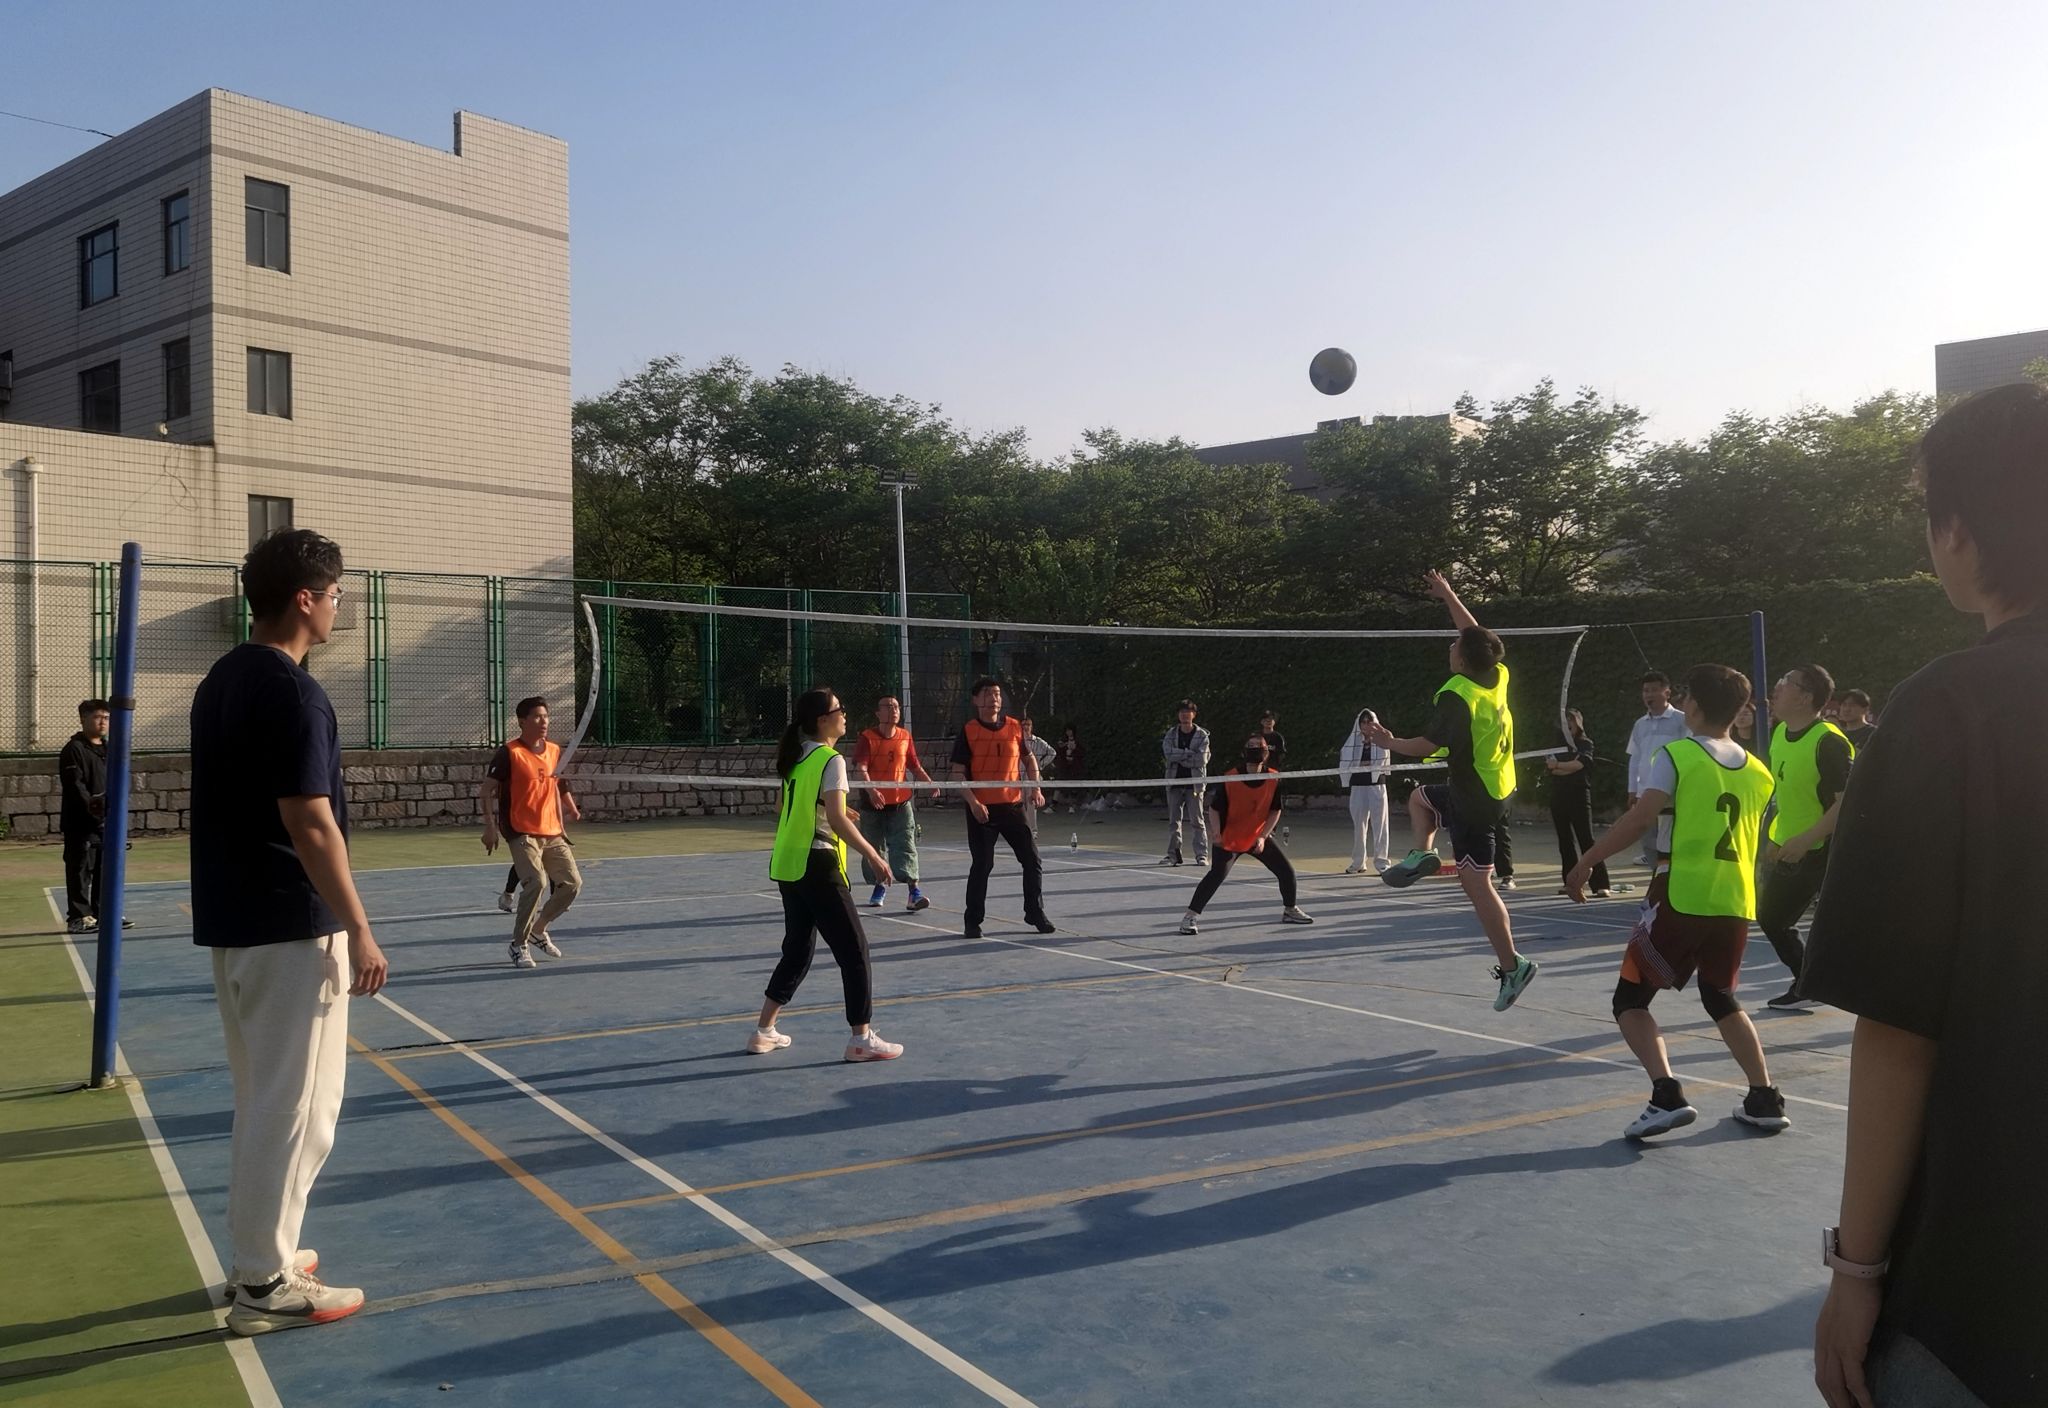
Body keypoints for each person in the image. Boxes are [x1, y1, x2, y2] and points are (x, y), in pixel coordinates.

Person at [1807, 381, 2048, 1408]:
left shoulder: (1949, 709)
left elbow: (1899, 1026)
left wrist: (1856, 1269)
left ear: (1958, 532)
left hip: (1989, 1285)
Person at [190, 528, 388, 1335]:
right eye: (335, 594)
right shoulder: (294, 693)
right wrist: (360, 929)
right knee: (297, 1107)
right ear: (305, 599)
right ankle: (264, 1283)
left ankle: (262, 1253)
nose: (340, 606)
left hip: (238, 924)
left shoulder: (222, 680)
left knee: (269, 1101)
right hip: (289, 926)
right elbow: (309, 821)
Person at [1565, 663, 1790, 1140]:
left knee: (1630, 1000)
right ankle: (1764, 1096)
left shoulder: (1677, 754)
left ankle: (1666, 1095)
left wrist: (1587, 861)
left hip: (1680, 891)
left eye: (1686, 696)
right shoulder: (1760, 772)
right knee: (1720, 995)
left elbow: (1640, 819)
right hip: (1734, 898)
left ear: (1695, 705)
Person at [1368, 570, 1540, 1011]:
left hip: (1475, 799)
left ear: (1463, 661)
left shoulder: (1457, 694)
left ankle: (1513, 965)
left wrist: (1387, 741)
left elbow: (1427, 745)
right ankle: (1423, 853)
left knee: (1477, 883)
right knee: (1420, 799)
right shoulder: (1496, 673)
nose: (1450, 645)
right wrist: (1447, 594)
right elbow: (1474, 633)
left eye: (1454, 646)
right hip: (1498, 785)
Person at [752, 687, 903, 1062]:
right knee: (855, 951)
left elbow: (784, 806)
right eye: (839, 709)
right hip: (818, 864)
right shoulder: (830, 758)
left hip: (788, 865)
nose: (845, 714)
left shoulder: (797, 756)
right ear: (823, 720)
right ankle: (861, 1039)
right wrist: (872, 853)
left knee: (798, 951)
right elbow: (834, 819)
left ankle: (764, 1030)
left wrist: (828, 807)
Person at [1756, 664, 1854, 1009]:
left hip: (1822, 848)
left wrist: (1807, 838)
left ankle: (1810, 983)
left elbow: (1846, 803)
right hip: (1791, 845)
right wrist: (1776, 838)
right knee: (1773, 918)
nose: (1778, 686)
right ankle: (1811, 982)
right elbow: (1787, 794)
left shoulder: (1829, 742)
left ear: (1805, 697)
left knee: (1776, 918)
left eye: (1787, 682)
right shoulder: (1781, 732)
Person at [482, 696, 584, 969]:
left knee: (572, 885)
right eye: (537, 717)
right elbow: (486, 790)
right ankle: (519, 944)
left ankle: (539, 929)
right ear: (522, 721)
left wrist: (571, 809)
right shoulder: (509, 753)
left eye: (546, 716)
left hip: (552, 831)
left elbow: (559, 784)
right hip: (521, 831)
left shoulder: (554, 751)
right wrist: (490, 826)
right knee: (537, 882)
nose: (544, 721)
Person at [1178, 735, 1314, 934]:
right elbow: (1214, 809)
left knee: (1286, 871)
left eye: (1259, 746)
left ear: (1266, 753)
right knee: (1216, 876)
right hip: (1229, 837)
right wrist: (1216, 833)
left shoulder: (1273, 778)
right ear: (1244, 752)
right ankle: (1189, 917)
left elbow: (1275, 810)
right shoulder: (1231, 777)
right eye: (1251, 746)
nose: (1255, 749)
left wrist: (1263, 836)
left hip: (1256, 836)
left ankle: (1290, 910)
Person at [951, 677, 1052, 939]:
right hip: (982, 810)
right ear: (976, 700)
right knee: (983, 865)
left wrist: (1036, 788)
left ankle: (1034, 912)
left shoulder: (1015, 727)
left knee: (1032, 859)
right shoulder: (969, 730)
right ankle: (973, 921)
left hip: (1012, 806)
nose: (994, 698)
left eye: (997, 693)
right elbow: (957, 774)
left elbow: (1030, 760)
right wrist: (974, 802)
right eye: (987, 693)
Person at [850, 695, 933, 912]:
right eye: (888, 707)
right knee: (873, 848)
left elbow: (914, 765)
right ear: (878, 713)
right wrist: (872, 791)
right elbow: (861, 769)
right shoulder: (867, 738)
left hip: (900, 803)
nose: (893, 710)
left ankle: (914, 892)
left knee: (906, 845)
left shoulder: (905, 736)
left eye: (896, 706)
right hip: (873, 805)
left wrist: (930, 783)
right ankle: (879, 886)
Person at [59, 699, 126, 934]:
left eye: (106, 718)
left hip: (107, 823)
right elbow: (76, 788)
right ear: (83, 719)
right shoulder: (73, 749)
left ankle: (104, 913)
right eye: (97, 717)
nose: (102, 722)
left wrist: (112, 815)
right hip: (81, 824)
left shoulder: (109, 749)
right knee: (80, 870)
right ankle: (79, 918)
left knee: (105, 870)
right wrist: (94, 811)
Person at [1625, 672, 1689, 866]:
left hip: (1670, 794)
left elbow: (1688, 755)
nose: (1649, 695)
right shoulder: (1640, 724)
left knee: (1668, 843)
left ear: (1667, 693)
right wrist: (1632, 790)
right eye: (1646, 691)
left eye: (1654, 690)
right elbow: (1635, 758)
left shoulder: (1681, 720)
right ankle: (1655, 877)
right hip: (1644, 792)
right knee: (1648, 840)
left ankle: (1667, 878)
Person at [1545, 708, 1610, 898]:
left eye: (1571, 721)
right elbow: (1552, 770)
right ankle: (1571, 883)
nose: (1567, 726)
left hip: (1579, 796)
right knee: (1565, 842)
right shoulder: (1555, 746)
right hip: (1559, 796)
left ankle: (1601, 884)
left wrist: (1560, 765)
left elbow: (1580, 765)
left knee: (1586, 840)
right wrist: (1561, 767)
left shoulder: (1585, 743)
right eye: (1564, 722)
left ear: (1578, 723)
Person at [1338, 707, 1391, 874]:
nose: (1366, 725)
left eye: (1369, 722)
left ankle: (1382, 862)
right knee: (1359, 825)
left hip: (1377, 785)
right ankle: (1358, 862)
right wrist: (1363, 765)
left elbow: (1382, 760)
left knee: (1380, 824)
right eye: (1363, 722)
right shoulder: (1353, 741)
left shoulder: (1382, 739)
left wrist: (1364, 764)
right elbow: (1347, 761)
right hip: (1358, 786)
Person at [1159, 699, 1210, 867]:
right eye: (1181, 712)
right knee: (1174, 822)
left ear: (1194, 714)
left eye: (1188, 712)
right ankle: (1173, 855)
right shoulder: (1171, 734)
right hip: (1174, 783)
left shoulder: (1202, 735)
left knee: (1197, 821)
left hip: (1195, 784)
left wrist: (1180, 757)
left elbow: (1201, 759)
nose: (1184, 715)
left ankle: (1201, 855)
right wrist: (1189, 754)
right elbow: (1168, 754)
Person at [1020, 714, 1057, 836]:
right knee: (1019, 803)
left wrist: (1040, 764)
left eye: (1028, 725)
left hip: (1033, 776)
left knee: (1031, 803)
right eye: (1023, 725)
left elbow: (1052, 752)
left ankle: (1033, 830)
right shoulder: (1017, 740)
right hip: (1018, 776)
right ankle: (1021, 828)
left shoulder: (1038, 741)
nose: (1026, 727)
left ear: (1031, 726)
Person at [1056, 724, 1087, 813]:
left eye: (1070, 730)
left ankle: (1072, 806)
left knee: (1073, 786)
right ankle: (1053, 805)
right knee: (1059, 784)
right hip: (1065, 766)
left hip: (1074, 767)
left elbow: (1082, 753)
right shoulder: (1063, 741)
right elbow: (1059, 752)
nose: (1068, 732)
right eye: (1067, 731)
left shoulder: (1078, 741)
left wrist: (1075, 750)